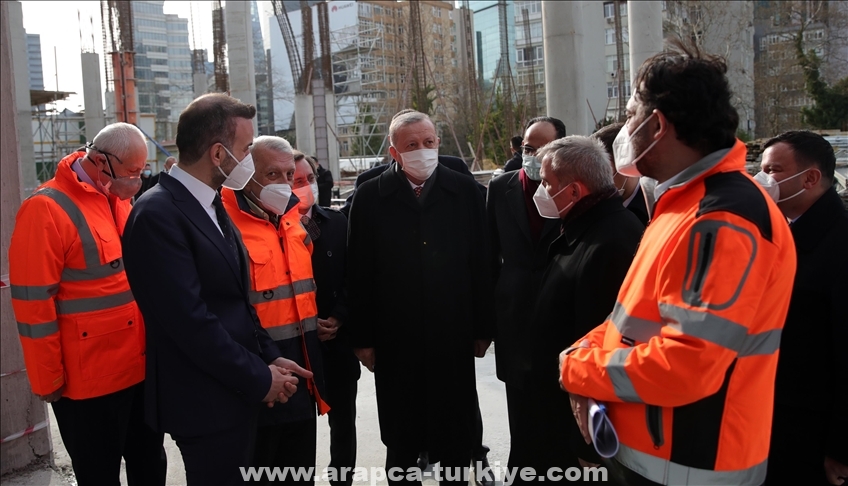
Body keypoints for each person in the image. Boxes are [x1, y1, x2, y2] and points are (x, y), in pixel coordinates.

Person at [558, 39, 796, 486]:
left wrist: (579, 370)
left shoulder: (723, 218)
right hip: (651, 456)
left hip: (690, 465)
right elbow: (634, 320)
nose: (623, 127)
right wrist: (582, 352)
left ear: (658, 125)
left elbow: (688, 366)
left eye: (629, 115)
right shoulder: (683, 203)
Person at [122, 93, 308, 485]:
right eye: (245, 149)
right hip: (204, 402)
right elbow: (191, 323)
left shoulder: (209, 203)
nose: (249, 158)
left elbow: (237, 300)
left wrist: (270, 357)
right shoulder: (157, 214)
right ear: (219, 154)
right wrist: (260, 378)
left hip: (236, 391)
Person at [9, 122, 166, 486]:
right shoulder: (45, 209)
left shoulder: (117, 201)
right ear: (99, 161)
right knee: (99, 474)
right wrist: (47, 378)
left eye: (142, 171)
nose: (138, 181)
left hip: (137, 369)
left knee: (150, 465)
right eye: (131, 172)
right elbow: (34, 305)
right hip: (87, 384)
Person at [346, 110, 494, 486]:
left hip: (453, 331)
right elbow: (358, 271)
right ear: (394, 152)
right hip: (395, 336)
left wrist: (483, 327)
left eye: (429, 143)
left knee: (455, 430)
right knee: (402, 432)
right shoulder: (369, 197)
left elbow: (482, 262)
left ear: (438, 142)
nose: (423, 151)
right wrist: (362, 339)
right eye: (412, 145)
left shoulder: (464, 192)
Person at [522, 135, 644, 481]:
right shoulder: (583, 228)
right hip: (556, 407)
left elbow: (604, 343)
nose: (540, 190)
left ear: (575, 192)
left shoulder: (611, 243)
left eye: (547, 183)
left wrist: (587, 444)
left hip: (580, 424)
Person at [221, 136, 329, 485]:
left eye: (288, 174)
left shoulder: (294, 220)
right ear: (247, 175)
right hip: (255, 376)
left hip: (302, 370)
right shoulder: (224, 223)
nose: (284, 184)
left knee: (299, 473)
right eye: (272, 174)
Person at [756, 131, 848, 486]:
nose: (763, 180)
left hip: (812, 432)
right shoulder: (780, 234)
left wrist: (841, 446)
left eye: (774, 170)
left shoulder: (838, 246)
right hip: (774, 420)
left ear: (810, 178)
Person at [485, 116, 565, 478]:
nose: (532, 156)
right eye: (528, 148)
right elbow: (488, 256)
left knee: (556, 407)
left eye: (542, 148)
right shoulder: (499, 188)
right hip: (513, 314)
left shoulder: (571, 189)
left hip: (559, 312)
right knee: (520, 408)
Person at [292, 151, 360, 486]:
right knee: (296, 432)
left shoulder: (337, 224)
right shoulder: (272, 232)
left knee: (343, 424)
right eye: (297, 181)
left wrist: (338, 318)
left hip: (337, 343)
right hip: (295, 348)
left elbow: (354, 276)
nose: (306, 187)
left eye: (310, 179)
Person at [591, 123, 649, 226]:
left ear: (625, 165)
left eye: (604, 171)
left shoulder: (651, 206)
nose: (597, 179)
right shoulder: (594, 207)